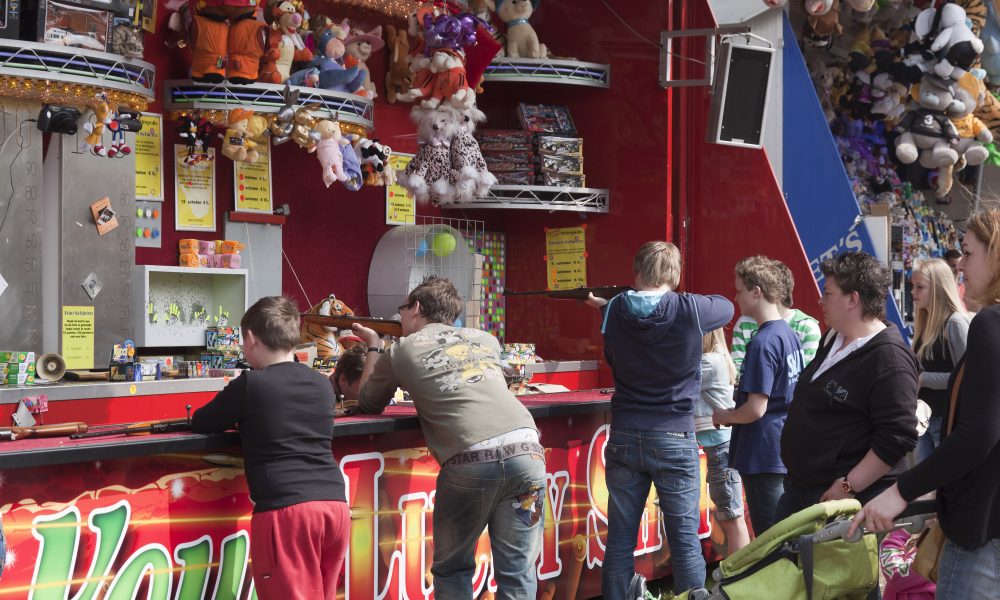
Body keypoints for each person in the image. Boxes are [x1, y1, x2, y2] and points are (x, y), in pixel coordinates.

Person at [352, 276, 546, 599]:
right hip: (528, 450)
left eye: (402, 309)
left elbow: (368, 401)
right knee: (518, 572)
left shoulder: (402, 350)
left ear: (416, 308)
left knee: (454, 569)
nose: (400, 318)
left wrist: (374, 344)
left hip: (470, 460)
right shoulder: (487, 339)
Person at [851, 209, 1000, 597]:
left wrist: (901, 491)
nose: (961, 266)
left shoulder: (989, 324)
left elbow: (978, 434)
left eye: (968, 253)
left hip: (983, 529)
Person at [585, 240, 734, 598]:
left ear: (636, 273)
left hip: (624, 433)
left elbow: (614, 327)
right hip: (675, 436)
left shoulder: (615, 309)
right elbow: (727, 307)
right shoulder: (690, 309)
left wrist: (610, 303)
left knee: (620, 537)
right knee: (684, 540)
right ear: (677, 275)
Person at [191, 296, 349, 600]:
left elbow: (202, 421)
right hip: (335, 505)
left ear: (250, 338)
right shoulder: (321, 384)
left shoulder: (251, 384)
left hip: (287, 512)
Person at [777, 252, 918, 523]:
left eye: (828, 294)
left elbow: (897, 436)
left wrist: (848, 486)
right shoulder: (833, 336)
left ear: (853, 299)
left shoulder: (889, 358)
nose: (820, 300)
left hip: (837, 501)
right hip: (802, 490)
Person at [714, 256, 803, 536]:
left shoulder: (763, 342)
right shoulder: (789, 334)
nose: (736, 296)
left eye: (740, 289)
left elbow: (755, 409)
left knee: (771, 538)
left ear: (757, 292)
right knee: (786, 533)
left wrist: (725, 416)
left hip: (763, 451)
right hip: (783, 445)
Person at [695, 327, 751, 554]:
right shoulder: (719, 358)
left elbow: (676, 379)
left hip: (719, 446)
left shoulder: (708, 361)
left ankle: (740, 576)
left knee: (731, 517)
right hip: (720, 445)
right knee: (731, 515)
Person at [910, 259, 970, 463]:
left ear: (937, 289)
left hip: (945, 420)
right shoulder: (924, 322)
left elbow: (967, 376)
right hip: (921, 418)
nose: (913, 292)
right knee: (922, 488)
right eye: (913, 286)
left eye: (920, 287)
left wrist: (923, 379)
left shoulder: (955, 323)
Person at [730, 261, 822, 374]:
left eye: (739, 291)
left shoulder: (807, 327)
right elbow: (737, 371)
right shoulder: (744, 323)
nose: (735, 298)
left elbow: (806, 376)